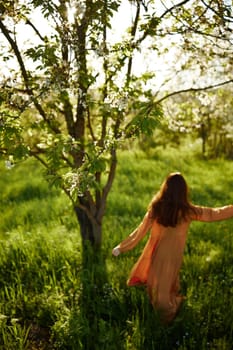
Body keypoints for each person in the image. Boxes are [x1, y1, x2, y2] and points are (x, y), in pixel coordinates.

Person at [112, 172, 233, 324]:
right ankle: (164, 312)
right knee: (155, 286)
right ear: (183, 192)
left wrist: (122, 247)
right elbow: (213, 213)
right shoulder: (163, 209)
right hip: (163, 255)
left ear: (165, 188)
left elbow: (139, 232)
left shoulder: (180, 210)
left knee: (162, 292)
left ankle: (165, 320)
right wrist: (121, 247)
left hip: (169, 258)